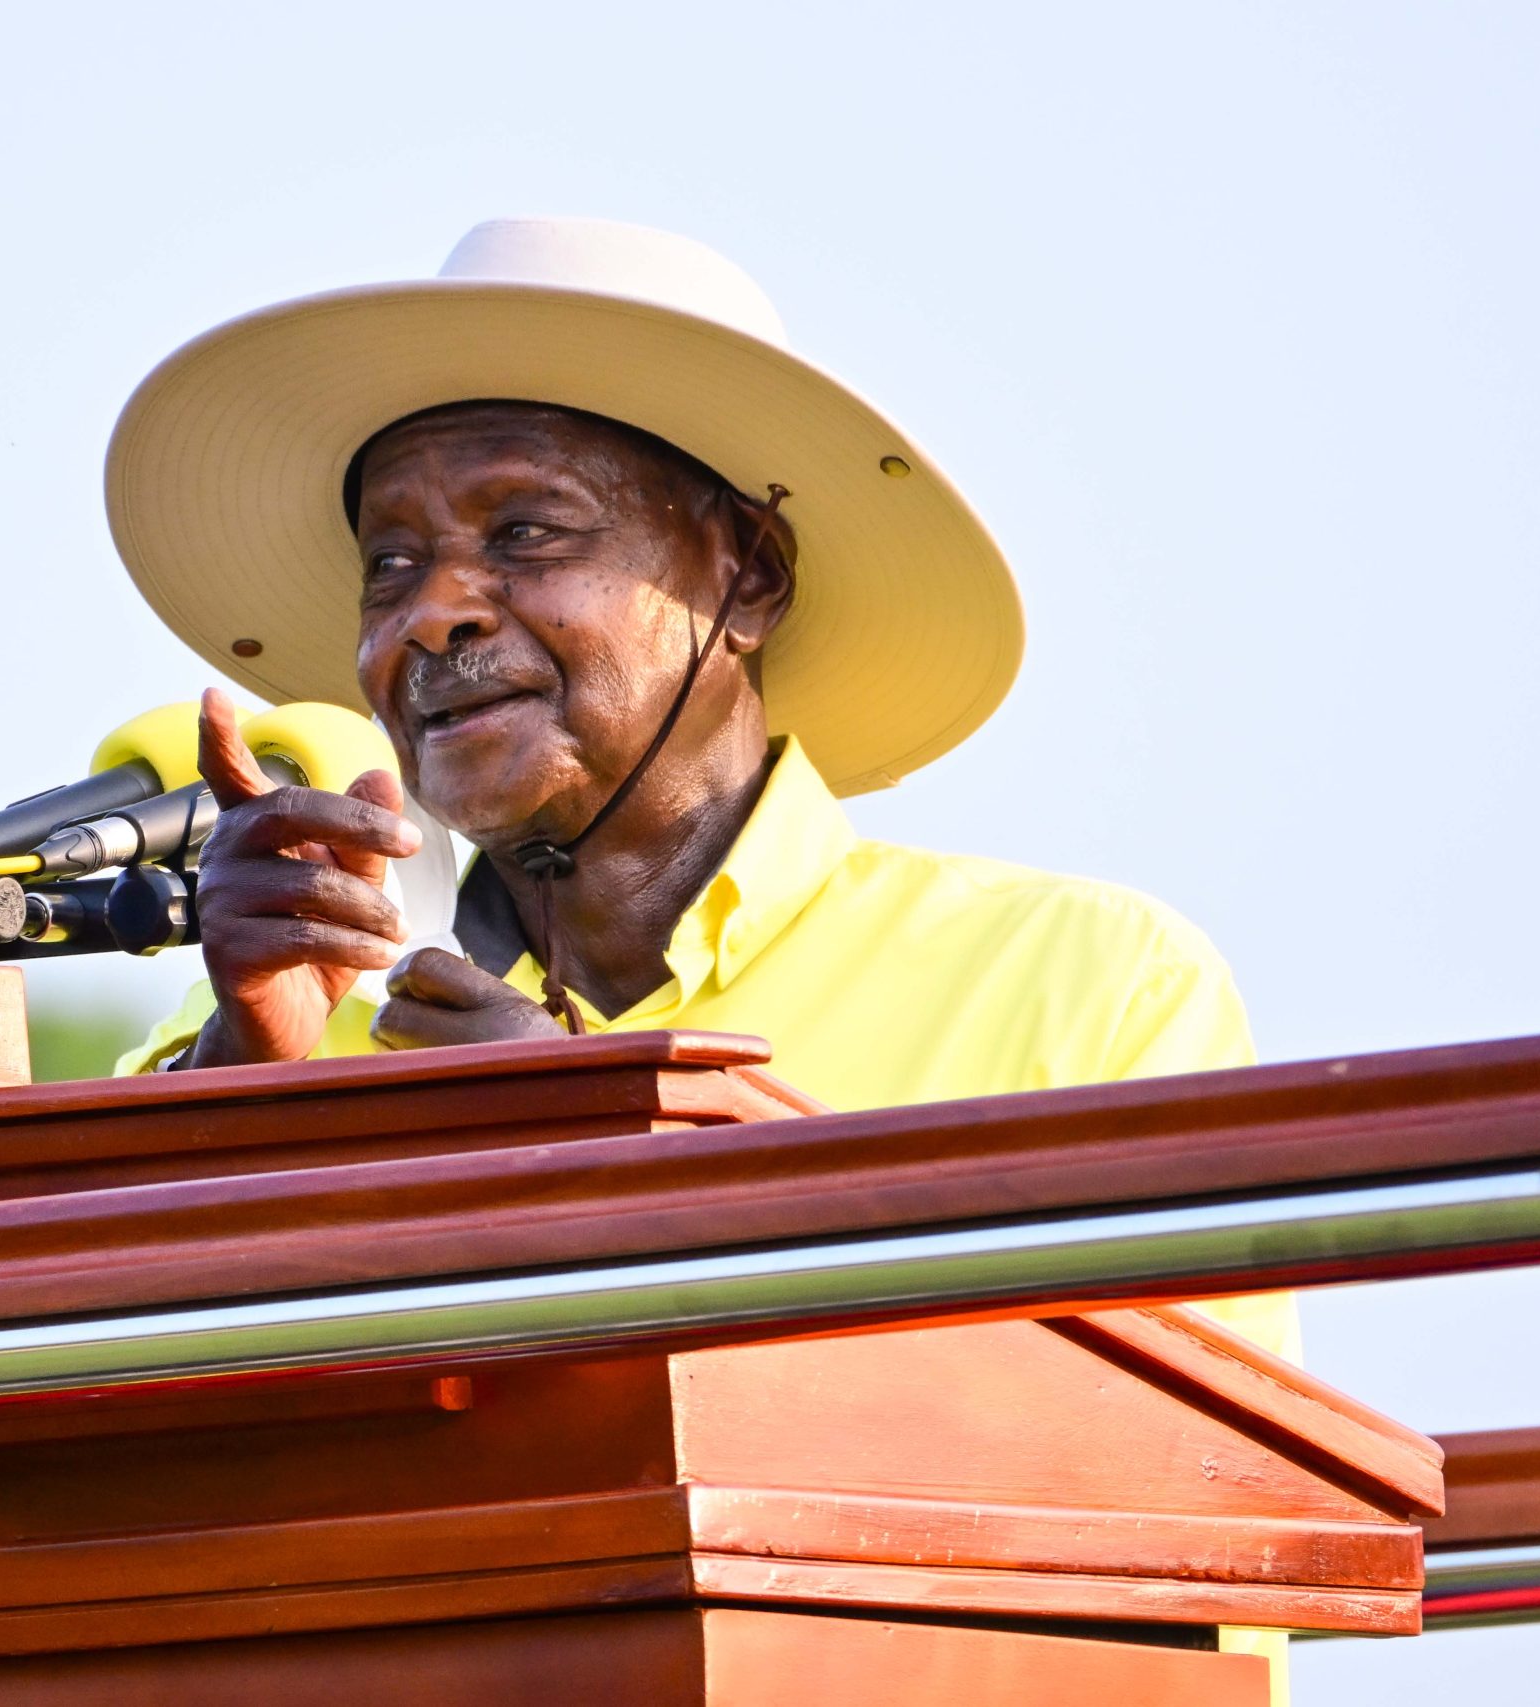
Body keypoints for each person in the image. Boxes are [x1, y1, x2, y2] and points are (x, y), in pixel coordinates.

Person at [106, 218, 1293, 1691]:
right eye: (389, 565)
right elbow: (65, 1480)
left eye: (528, 533)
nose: (433, 613)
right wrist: (240, 1081)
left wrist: (610, 1163)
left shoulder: (1085, 982)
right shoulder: (282, 1027)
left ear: (751, 577)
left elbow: (1198, 1530)